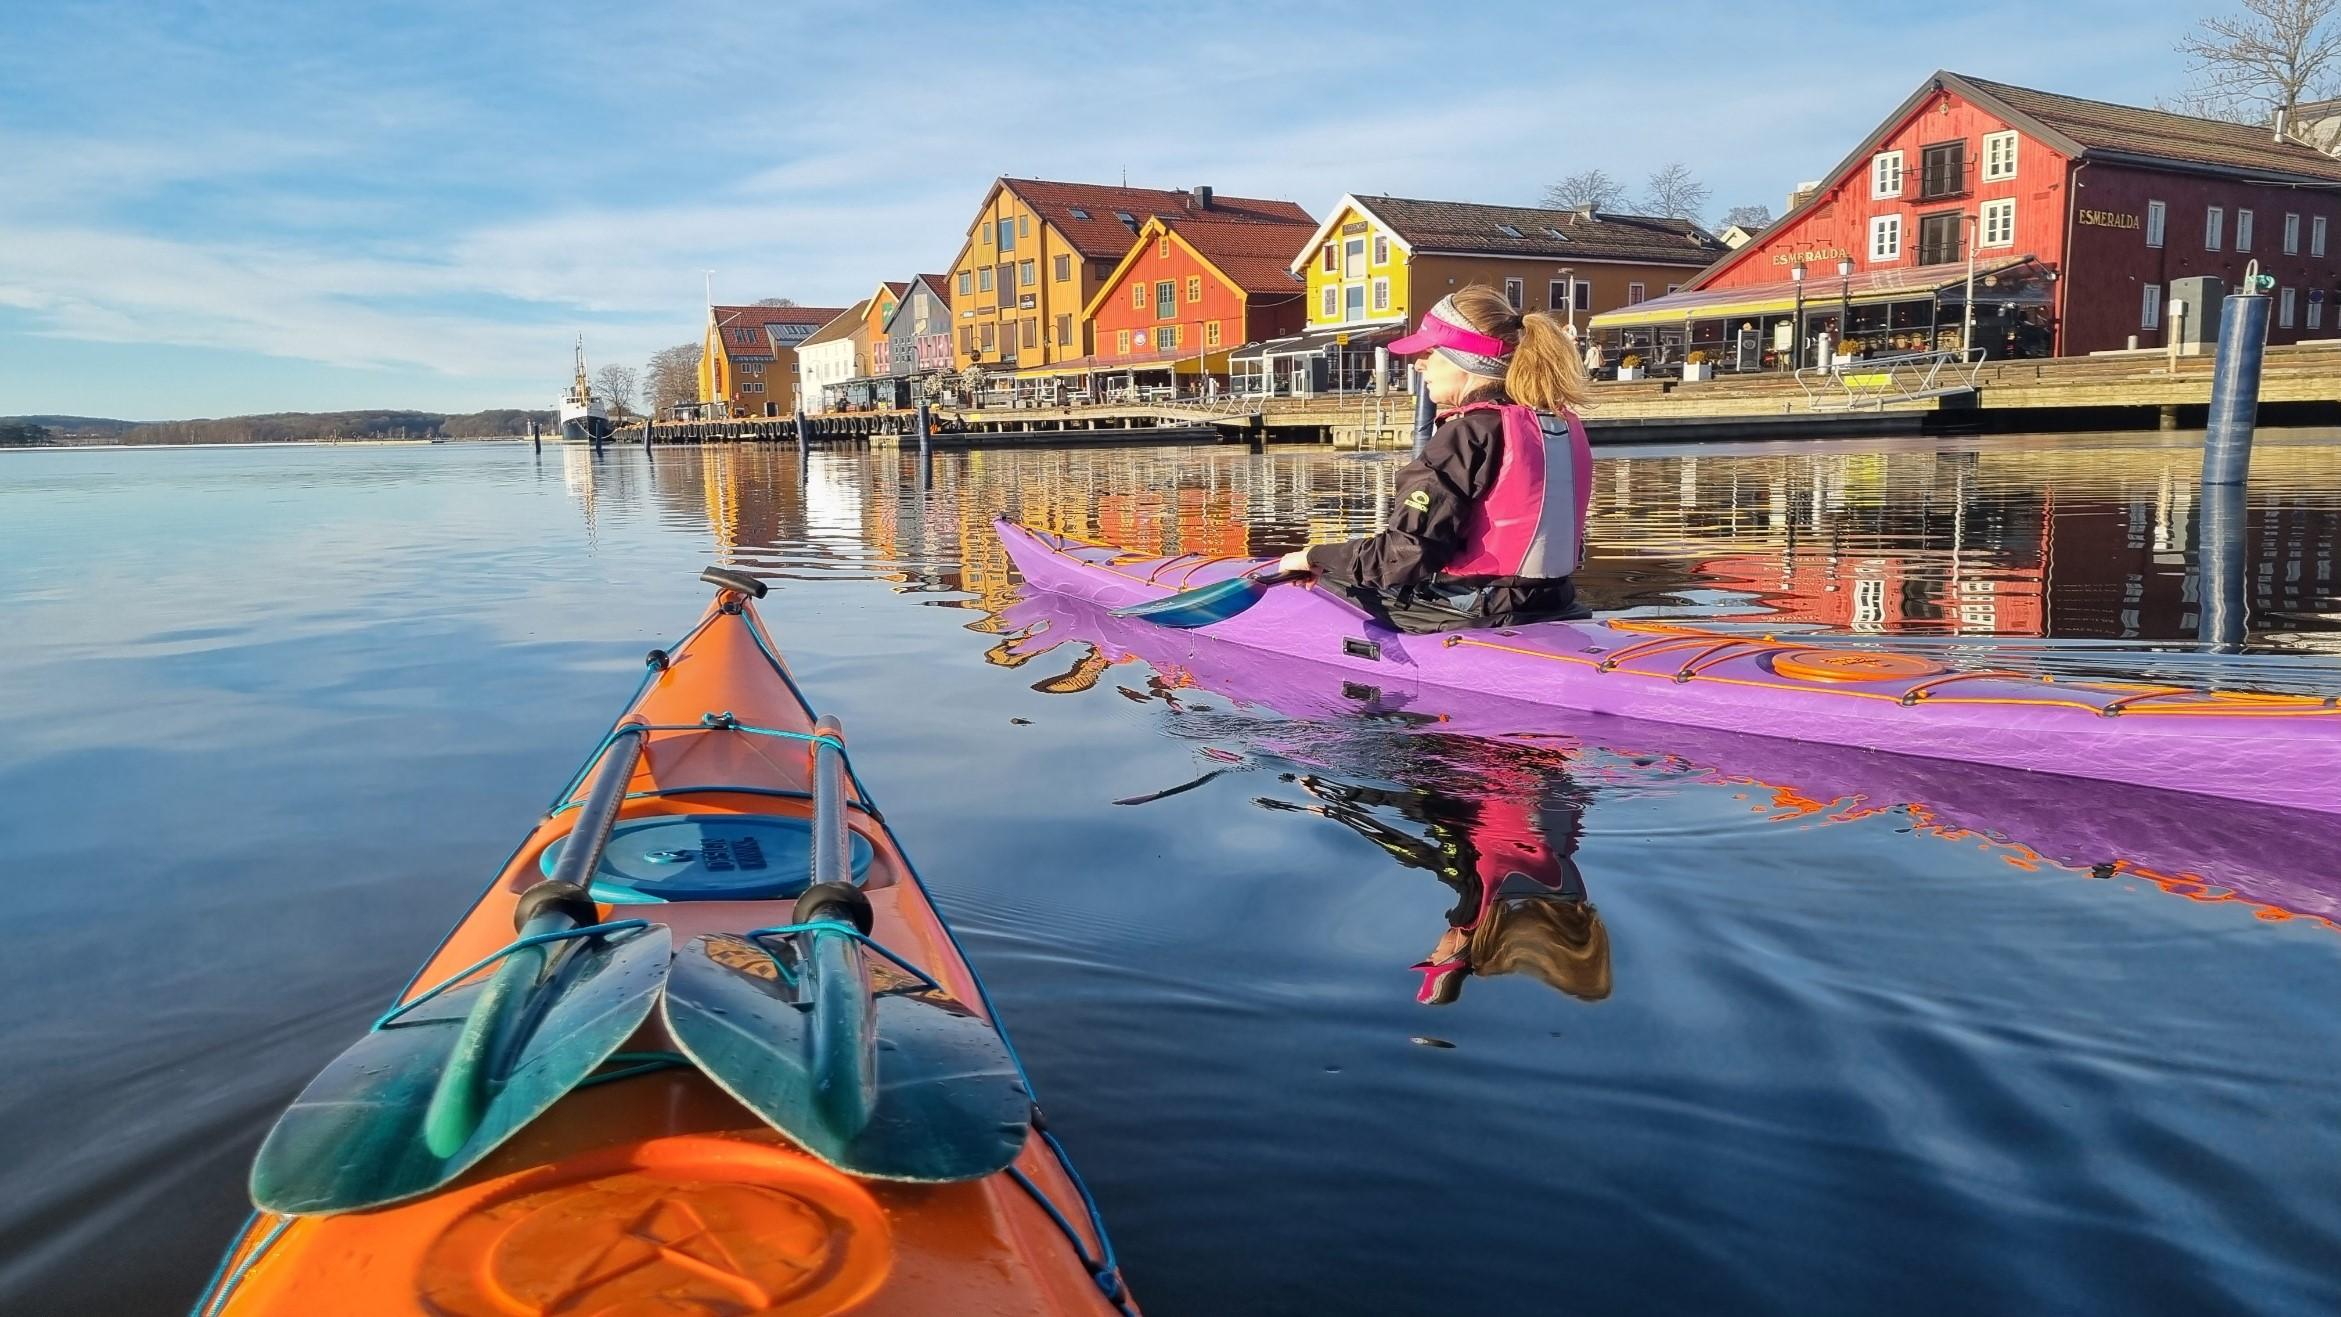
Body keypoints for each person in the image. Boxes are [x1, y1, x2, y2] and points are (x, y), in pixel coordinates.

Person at [1274, 284, 1594, 633]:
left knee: (1324, 581)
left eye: (1431, 352)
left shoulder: (1466, 434)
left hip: (1480, 611)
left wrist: (1315, 557)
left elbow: (1404, 554)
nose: (1419, 364)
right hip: (1555, 600)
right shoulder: (1560, 424)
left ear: (1465, 362)